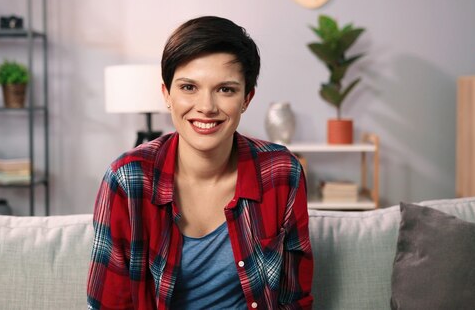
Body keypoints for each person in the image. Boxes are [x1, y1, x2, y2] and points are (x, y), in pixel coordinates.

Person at [87, 16, 313, 309]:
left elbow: (294, 300)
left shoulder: (281, 172)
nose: (206, 107)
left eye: (226, 89)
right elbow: (108, 304)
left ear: (247, 98)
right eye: (189, 87)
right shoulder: (127, 179)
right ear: (166, 94)